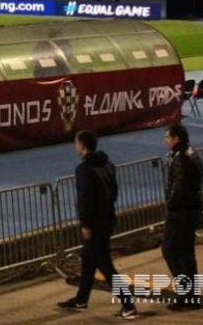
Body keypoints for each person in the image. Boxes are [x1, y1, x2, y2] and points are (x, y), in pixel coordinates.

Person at [57, 131, 137, 318]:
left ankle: (128, 305)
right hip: (107, 218)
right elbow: (114, 192)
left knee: (105, 265)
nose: (75, 147)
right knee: (88, 261)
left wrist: (85, 224)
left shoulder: (84, 170)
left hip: (94, 224)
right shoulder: (108, 165)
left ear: (82, 145)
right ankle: (81, 300)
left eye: (76, 143)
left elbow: (85, 199)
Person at [163, 122, 203, 311]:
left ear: (176, 138)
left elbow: (179, 186)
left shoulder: (181, 158)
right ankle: (192, 296)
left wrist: (170, 204)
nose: (165, 141)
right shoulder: (191, 153)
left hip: (182, 212)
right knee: (187, 253)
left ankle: (185, 293)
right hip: (192, 209)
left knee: (170, 250)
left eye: (168, 137)